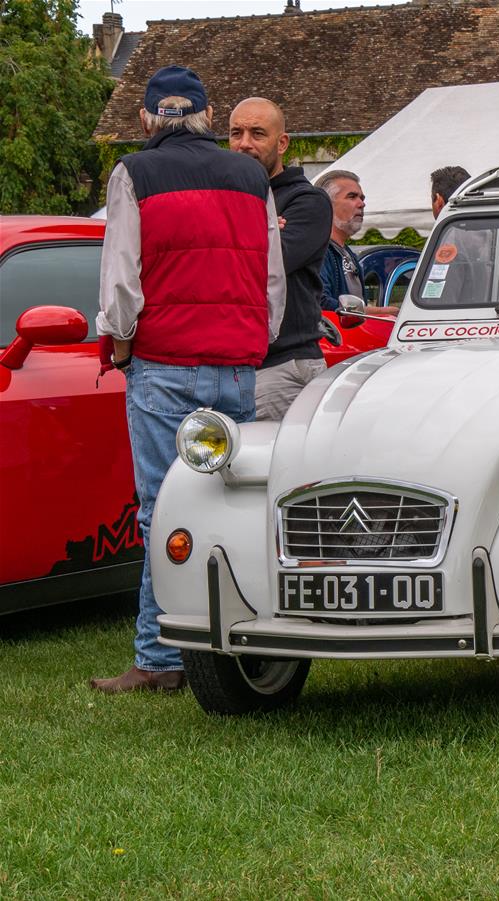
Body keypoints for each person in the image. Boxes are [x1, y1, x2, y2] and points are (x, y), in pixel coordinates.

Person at [91, 66, 285, 692]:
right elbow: (272, 278)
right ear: (209, 116)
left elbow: (121, 278)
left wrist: (122, 343)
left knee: (161, 508)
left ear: (146, 118)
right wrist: (254, 340)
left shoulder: (134, 173)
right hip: (236, 363)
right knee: (233, 503)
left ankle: (160, 656)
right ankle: (237, 638)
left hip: (164, 363)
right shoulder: (251, 176)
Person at [230, 97, 332, 420]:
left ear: (282, 143)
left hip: (282, 367)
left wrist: (234, 232)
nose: (244, 144)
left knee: (269, 454)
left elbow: (263, 266)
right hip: (239, 367)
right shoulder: (228, 199)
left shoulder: (308, 201)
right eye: (236, 133)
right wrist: (262, 229)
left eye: (257, 133)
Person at [315, 170, 395, 316]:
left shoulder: (347, 253)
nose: (362, 204)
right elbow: (321, 302)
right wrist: (377, 312)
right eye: (352, 197)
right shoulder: (317, 249)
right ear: (326, 204)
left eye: (362, 198)